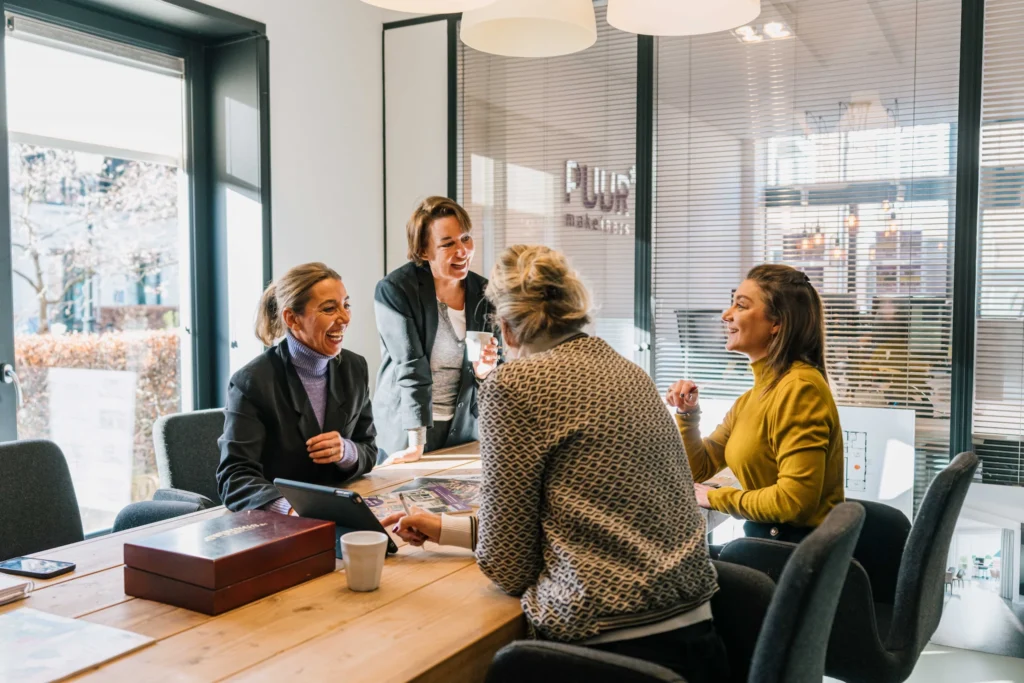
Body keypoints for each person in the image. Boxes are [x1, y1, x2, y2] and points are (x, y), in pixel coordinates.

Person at [383, 245, 723, 681]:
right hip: (701, 641)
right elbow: (583, 521)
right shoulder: (629, 371)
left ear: (505, 328)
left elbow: (509, 565)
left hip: (609, 652)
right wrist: (445, 528)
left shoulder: (515, 384)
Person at [666, 264, 844, 542]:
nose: (726, 316)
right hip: (769, 544)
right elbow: (699, 469)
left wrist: (719, 498)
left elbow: (794, 502)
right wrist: (688, 415)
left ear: (777, 323)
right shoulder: (756, 395)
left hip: (790, 553)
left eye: (741, 306)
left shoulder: (799, 389)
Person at [217, 263, 377, 513]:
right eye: (329, 308)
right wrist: (292, 511)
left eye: (346, 305)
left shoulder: (355, 368)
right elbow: (235, 478)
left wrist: (346, 451)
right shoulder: (251, 382)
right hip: (279, 525)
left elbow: (368, 447)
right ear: (292, 318)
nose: (344, 318)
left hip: (339, 510)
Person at [373, 196, 499, 463]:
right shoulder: (396, 290)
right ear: (423, 251)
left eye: (465, 238)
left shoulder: (486, 293)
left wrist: (484, 373)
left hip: (462, 428)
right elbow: (410, 367)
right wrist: (416, 442)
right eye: (448, 244)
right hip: (408, 429)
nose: (462, 251)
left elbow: (497, 370)